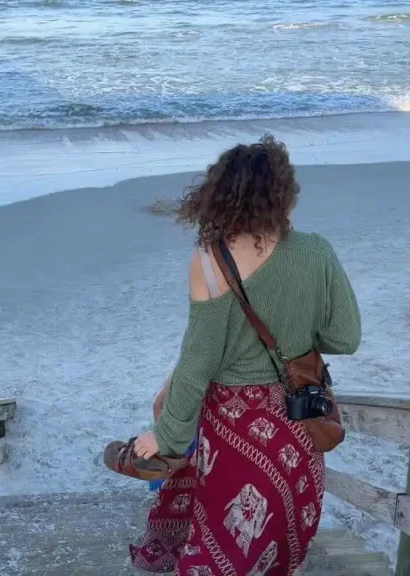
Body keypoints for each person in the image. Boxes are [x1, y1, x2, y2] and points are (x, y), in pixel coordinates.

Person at [105, 135, 362, 575]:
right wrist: (297, 333)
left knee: (223, 549)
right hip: (297, 431)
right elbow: (346, 337)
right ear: (283, 194)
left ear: (219, 196)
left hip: (232, 436)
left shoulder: (209, 259)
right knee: (279, 552)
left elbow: (198, 363)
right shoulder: (317, 251)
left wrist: (164, 439)